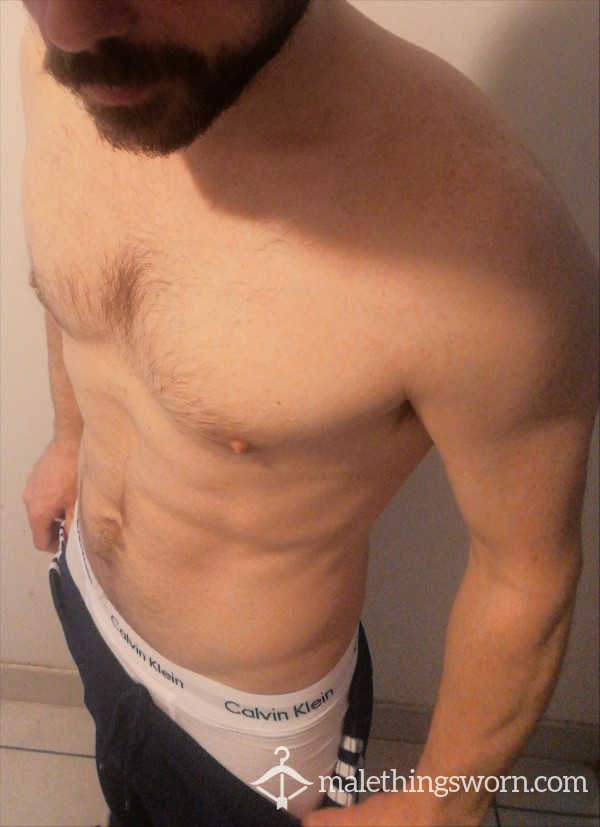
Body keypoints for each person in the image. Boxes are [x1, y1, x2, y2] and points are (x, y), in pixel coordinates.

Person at [19, 1, 598, 825]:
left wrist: (437, 807)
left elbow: (526, 572)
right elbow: (65, 284)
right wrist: (67, 435)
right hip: (87, 596)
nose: (69, 29)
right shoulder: (59, 66)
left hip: (246, 731)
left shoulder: (493, 243)